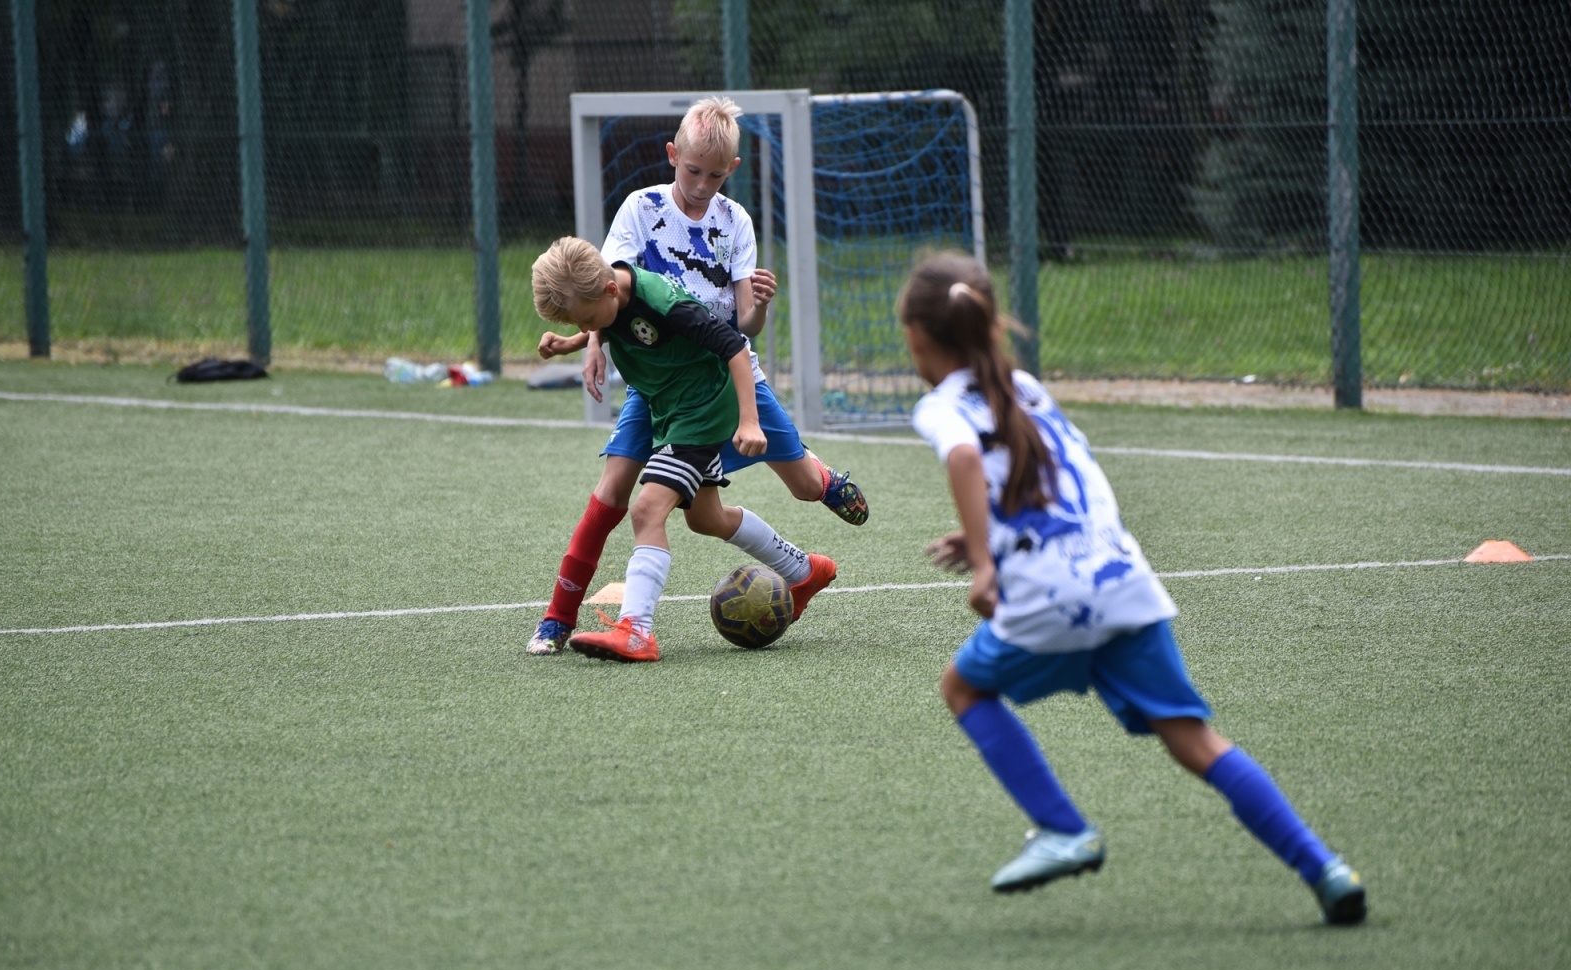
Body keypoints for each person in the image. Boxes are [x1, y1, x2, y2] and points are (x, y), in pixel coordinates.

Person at [900, 251, 1366, 925]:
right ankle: (1325, 868)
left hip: (1053, 598)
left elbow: (969, 457)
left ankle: (1063, 829)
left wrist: (984, 565)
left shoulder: (942, 405)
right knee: (1196, 741)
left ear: (917, 339)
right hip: (1121, 581)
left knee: (963, 686)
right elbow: (1046, 476)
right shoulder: (1026, 387)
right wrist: (982, 536)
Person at [528, 96, 867, 656]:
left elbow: (739, 331)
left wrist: (756, 306)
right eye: (692, 170)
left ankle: (637, 628)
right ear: (671, 156)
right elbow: (600, 292)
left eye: (714, 174)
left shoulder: (734, 223)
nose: (702, 183)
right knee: (678, 510)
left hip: (720, 379)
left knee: (801, 487)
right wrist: (585, 342)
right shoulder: (641, 210)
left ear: (731, 171)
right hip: (658, 384)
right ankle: (557, 620)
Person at [531, 237, 837, 662]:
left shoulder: (662, 302)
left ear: (609, 290)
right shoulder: (608, 296)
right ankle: (804, 571)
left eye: (583, 321)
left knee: (646, 510)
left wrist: (749, 420)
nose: (584, 329)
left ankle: (636, 631)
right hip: (667, 405)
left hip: (702, 409)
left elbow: (733, 347)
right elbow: (607, 321)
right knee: (705, 518)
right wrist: (570, 344)